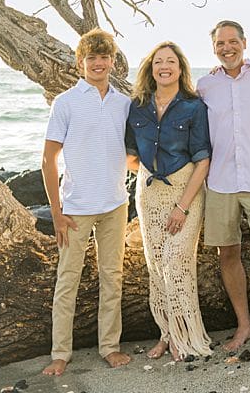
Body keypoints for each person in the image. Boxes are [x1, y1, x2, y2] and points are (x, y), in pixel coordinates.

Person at [40, 28, 132, 376]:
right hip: (75, 209)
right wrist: (56, 213)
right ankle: (60, 353)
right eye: (91, 57)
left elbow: (129, 154)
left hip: (115, 205)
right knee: (68, 281)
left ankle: (109, 346)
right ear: (81, 63)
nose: (98, 62)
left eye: (104, 56)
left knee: (113, 278)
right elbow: (48, 160)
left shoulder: (123, 103)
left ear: (112, 61)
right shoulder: (65, 103)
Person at [196, 20, 250, 361]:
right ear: (213, 47)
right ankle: (244, 324)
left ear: (245, 43)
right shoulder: (205, 85)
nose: (227, 48)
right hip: (220, 181)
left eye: (233, 41)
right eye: (220, 43)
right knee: (227, 253)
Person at [125, 41, 213, 360]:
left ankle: (185, 335)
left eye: (171, 61)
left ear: (180, 68)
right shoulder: (137, 106)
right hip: (148, 195)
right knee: (157, 266)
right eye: (158, 61)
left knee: (176, 262)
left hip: (184, 190)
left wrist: (181, 206)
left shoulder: (193, 106)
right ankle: (166, 332)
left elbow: (203, 160)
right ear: (151, 68)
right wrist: (146, 170)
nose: (165, 66)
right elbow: (129, 154)